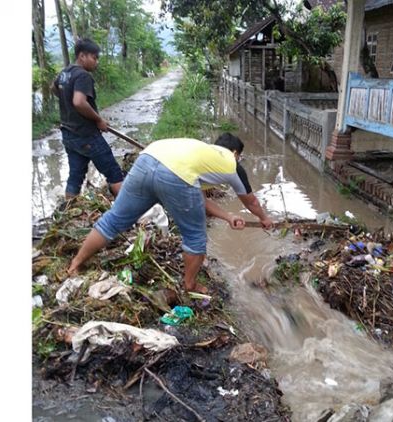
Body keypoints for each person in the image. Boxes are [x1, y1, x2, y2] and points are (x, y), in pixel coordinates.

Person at [66, 133, 274, 293]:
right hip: (174, 175)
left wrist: (228, 217)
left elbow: (198, 199)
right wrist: (264, 219)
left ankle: (75, 264)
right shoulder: (232, 164)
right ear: (236, 152)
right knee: (195, 236)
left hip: (147, 159)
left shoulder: (201, 151)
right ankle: (190, 285)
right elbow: (251, 201)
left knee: (113, 220)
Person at [51, 38, 123, 200]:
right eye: (94, 57)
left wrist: (66, 99)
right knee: (113, 172)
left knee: (75, 177)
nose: (96, 62)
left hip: (69, 135)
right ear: (82, 56)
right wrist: (98, 120)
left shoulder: (65, 73)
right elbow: (79, 102)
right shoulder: (83, 76)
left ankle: (68, 214)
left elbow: (54, 88)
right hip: (86, 135)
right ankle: (130, 215)